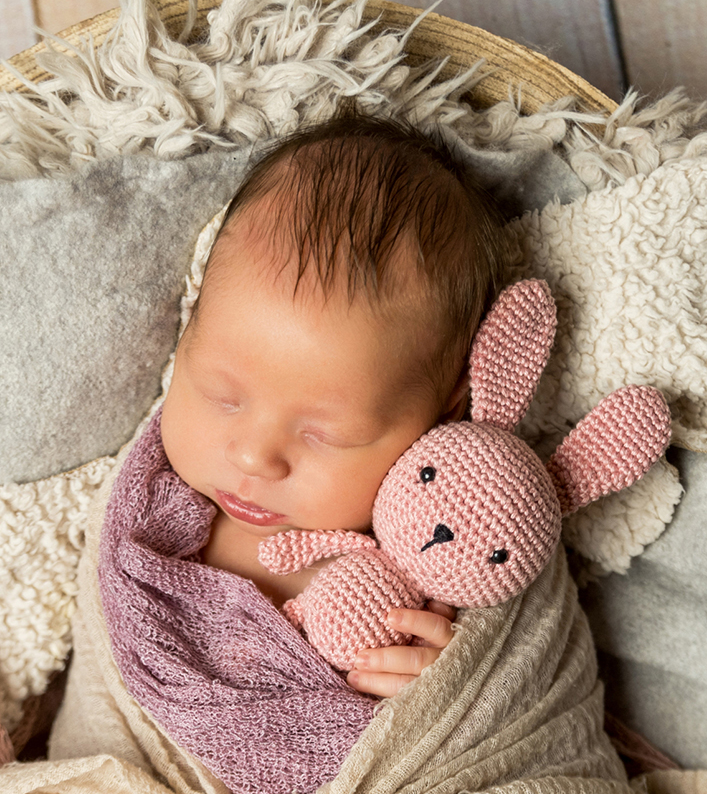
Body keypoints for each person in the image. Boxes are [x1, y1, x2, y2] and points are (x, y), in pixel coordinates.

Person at [156, 112, 508, 697]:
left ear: (446, 412)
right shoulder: (151, 513)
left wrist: (444, 689)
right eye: (222, 397)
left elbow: (520, 685)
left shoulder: (449, 550)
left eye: (327, 434)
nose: (254, 457)